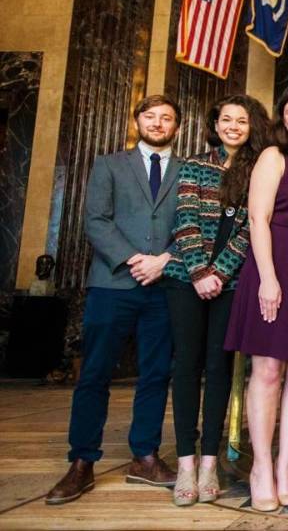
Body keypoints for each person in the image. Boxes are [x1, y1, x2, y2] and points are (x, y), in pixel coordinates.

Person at [45, 95, 183, 505]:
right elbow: (96, 220)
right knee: (95, 374)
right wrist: (134, 259)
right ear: (137, 120)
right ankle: (82, 462)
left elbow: (193, 222)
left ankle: (145, 455)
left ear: (177, 126)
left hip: (165, 286)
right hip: (113, 283)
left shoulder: (188, 169)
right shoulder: (109, 165)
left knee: (156, 374)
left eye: (167, 118)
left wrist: (165, 260)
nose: (158, 123)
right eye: (151, 116)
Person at [162, 94, 269, 506]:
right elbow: (184, 219)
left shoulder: (257, 169)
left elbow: (250, 230)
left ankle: (210, 461)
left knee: (220, 368)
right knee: (186, 366)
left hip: (232, 284)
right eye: (227, 119)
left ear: (251, 126)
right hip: (184, 281)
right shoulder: (194, 165)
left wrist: (220, 273)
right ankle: (186, 464)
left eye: (242, 121)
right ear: (216, 123)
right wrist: (199, 272)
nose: (234, 127)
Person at [223, 87, 288, 511]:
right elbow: (257, 218)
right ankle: (260, 465)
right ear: (282, 118)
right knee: (266, 371)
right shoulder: (274, 155)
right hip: (273, 263)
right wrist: (267, 277)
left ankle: (285, 466)